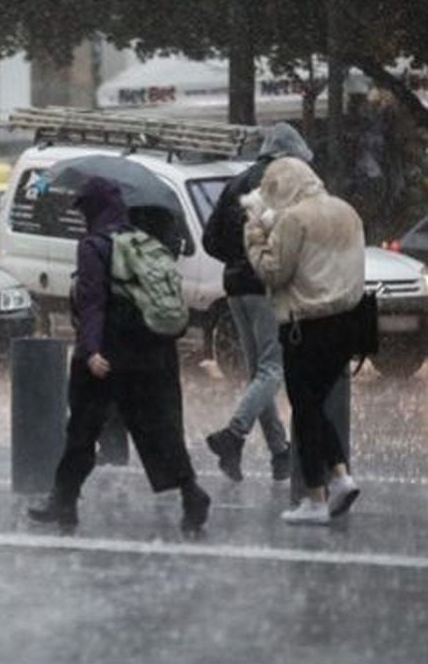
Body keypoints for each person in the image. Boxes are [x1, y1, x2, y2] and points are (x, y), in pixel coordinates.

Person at [28, 177, 210, 533]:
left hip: (108, 356)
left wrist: (91, 351)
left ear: (92, 210)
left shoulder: (95, 246)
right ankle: (192, 493)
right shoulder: (144, 242)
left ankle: (62, 501)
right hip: (152, 352)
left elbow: (92, 304)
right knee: (159, 429)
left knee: (82, 428)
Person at [244, 157, 364, 525]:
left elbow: (273, 272)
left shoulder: (295, 219)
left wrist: (254, 234)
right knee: (313, 404)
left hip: (306, 324)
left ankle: (317, 496)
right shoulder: (347, 211)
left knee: (305, 407)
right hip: (349, 321)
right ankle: (340, 476)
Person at [201, 123, 312, 482]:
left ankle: (280, 453)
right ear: (289, 155)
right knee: (272, 368)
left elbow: (210, 239)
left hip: (235, 287)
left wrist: (237, 259)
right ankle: (233, 435)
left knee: (258, 372)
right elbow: (295, 234)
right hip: (266, 285)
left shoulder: (237, 181)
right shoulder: (283, 181)